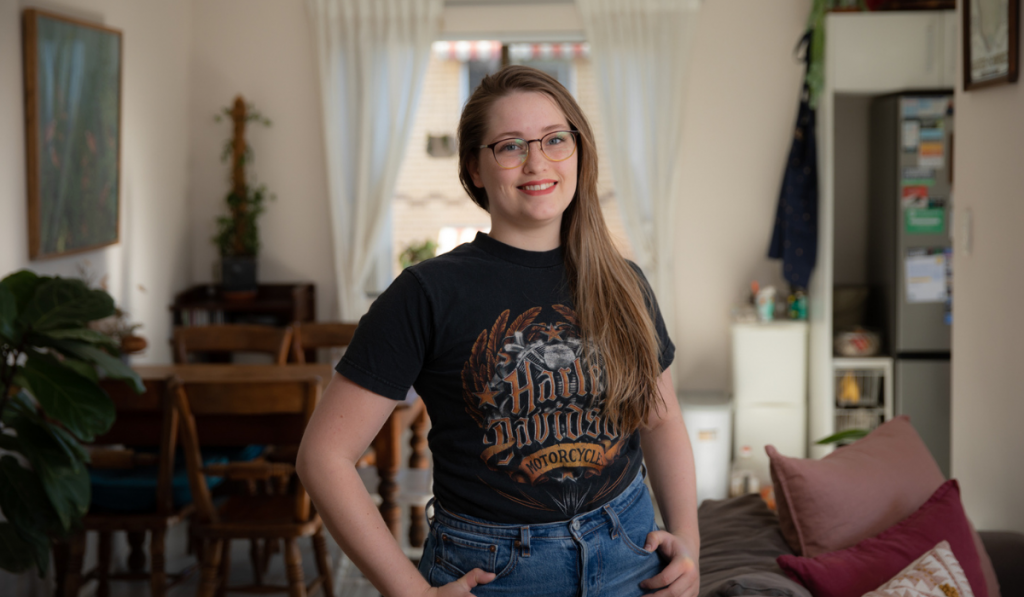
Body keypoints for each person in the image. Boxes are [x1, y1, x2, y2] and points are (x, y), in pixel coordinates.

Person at [296, 65, 700, 597]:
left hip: (631, 552)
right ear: (476, 170)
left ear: (578, 150)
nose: (537, 161)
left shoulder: (623, 282)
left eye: (555, 140)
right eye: (510, 146)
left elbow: (661, 421)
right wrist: (409, 591)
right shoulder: (426, 293)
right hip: (496, 573)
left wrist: (690, 545)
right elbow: (323, 458)